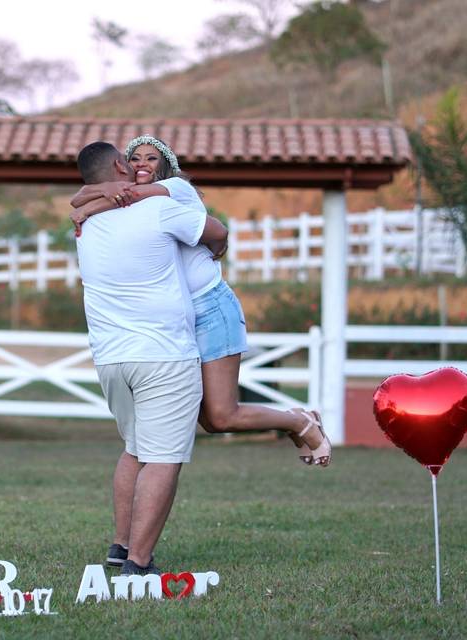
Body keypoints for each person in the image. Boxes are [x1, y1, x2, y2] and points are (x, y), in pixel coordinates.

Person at [70, 135, 331, 468]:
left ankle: (301, 421)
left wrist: (89, 202)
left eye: (151, 159)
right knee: (209, 420)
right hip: (179, 320)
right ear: (122, 166)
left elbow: (95, 199)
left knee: (222, 416)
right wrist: (91, 198)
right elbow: (82, 199)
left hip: (210, 308)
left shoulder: (175, 190)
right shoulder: (132, 204)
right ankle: (296, 421)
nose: (141, 165)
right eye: (134, 159)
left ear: (165, 165)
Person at [75, 141, 229, 575]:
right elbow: (215, 232)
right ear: (123, 165)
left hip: (110, 358)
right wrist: (218, 249)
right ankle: (138, 565)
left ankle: (121, 547)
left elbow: (81, 201)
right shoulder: (158, 209)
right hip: (163, 355)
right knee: (163, 458)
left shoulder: (86, 224)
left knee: (135, 451)